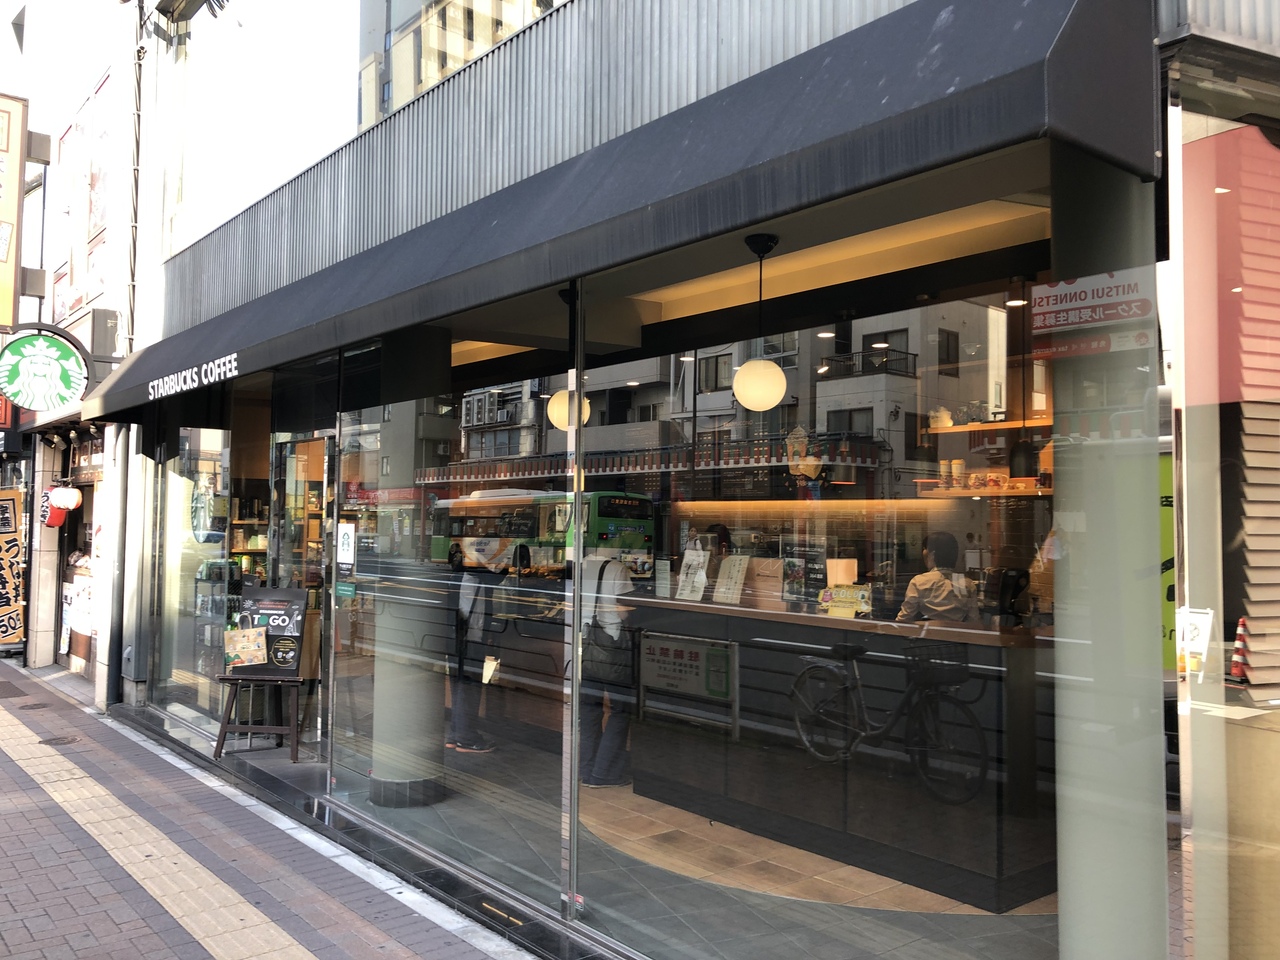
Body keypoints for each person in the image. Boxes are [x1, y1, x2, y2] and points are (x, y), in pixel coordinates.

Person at [578, 550, 635, 787]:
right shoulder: (616, 568)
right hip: (611, 648)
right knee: (621, 710)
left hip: (584, 644)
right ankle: (604, 773)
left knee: (589, 710)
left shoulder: (579, 565)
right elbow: (623, 612)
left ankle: (586, 769)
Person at [449, 550, 504, 753]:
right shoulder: (475, 569)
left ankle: (455, 734)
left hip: (454, 634)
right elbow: (498, 576)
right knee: (469, 688)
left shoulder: (459, 568)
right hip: (470, 636)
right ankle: (466, 738)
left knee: (458, 686)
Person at [896, 531, 980, 623]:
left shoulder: (919, 581)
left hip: (927, 631)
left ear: (932, 555)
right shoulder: (966, 584)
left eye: (925, 549)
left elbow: (905, 618)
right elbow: (973, 620)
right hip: (957, 631)